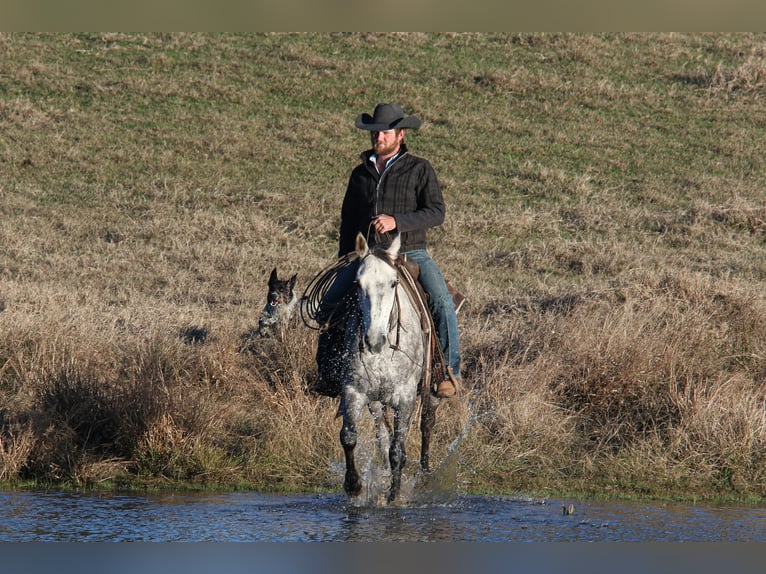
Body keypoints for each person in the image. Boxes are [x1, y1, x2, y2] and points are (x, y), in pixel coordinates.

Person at [313, 102, 461, 399]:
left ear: (401, 134)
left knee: (443, 302)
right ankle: (329, 373)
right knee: (327, 305)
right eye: (374, 133)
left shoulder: (420, 168)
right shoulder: (360, 174)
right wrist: (346, 258)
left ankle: (446, 372)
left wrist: (398, 221)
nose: (378, 137)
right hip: (367, 257)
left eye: (384, 132)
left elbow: (436, 212)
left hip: (410, 251)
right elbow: (348, 221)